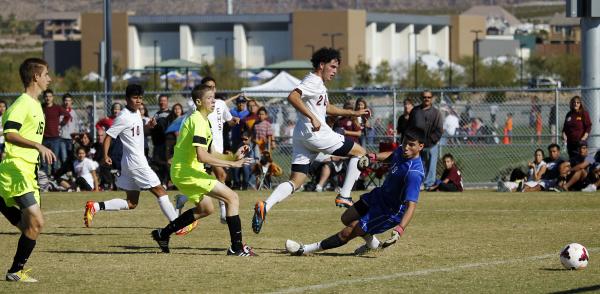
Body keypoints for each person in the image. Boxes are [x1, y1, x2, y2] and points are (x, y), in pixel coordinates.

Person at [251, 47, 369, 234]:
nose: (335, 71)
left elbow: (326, 108)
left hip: (302, 136)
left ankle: (266, 205)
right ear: (321, 65)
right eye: (332, 66)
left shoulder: (318, 84)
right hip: (317, 133)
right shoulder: (312, 80)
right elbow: (293, 96)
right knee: (361, 152)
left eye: (336, 67)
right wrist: (312, 118)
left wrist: (353, 112)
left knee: (296, 181)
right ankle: (345, 195)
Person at [150, 84, 256, 256]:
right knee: (232, 197)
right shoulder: (198, 120)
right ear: (198, 101)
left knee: (205, 209)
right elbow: (202, 156)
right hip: (187, 172)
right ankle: (236, 247)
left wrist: (233, 157)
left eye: (214, 98)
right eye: (209, 98)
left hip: (188, 171)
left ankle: (163, 234)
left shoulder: (204, 121)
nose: (213, 101)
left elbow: (212, 153)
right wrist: (232, 165)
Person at [285, 127, 425, 256]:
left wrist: (400, 229)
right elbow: (394, 155)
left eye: (411, 145)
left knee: (350, 231)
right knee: (346, 218)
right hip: (379, 196)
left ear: (421, 146)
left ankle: (305, 249)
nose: (406, 147)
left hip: (388, 211)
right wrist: (373, 157)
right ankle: (374, 244)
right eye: (405, 142)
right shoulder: (403, 150)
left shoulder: (414, 173)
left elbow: (411, 206)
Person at [82, 84, 195, 236]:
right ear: (127, 99)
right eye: (135, 98)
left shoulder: (136, 113)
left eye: (140, 98)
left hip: (130, 163)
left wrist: (149, 127)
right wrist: (105, 155)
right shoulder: (123, 116)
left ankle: (94, 206)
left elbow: (137, 132)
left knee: (131, 203)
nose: (138, 101)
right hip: (136, 163)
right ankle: (178, 226)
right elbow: (109, 136)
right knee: (161, 191)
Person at [0, 58, 55, 282]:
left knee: (31, 226)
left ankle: (15, 271)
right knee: (37, 222)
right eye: (46, 74)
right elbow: (9, 133)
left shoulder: (35, 105)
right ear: (36, 77)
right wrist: (37, 145)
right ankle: (14, 272)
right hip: (16, 169)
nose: (49, 79)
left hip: (28, 171)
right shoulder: (22, 103)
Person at [176, 76, 240, 223]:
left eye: (213, 87)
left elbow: (227, 121)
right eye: (208, 87)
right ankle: (224, 212)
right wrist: (231, 162)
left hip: (215, 146)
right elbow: (189, 125)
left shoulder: (221, 104)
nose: (211, 90)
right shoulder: (196, 111)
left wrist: (233, 121)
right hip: (201, 149)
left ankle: (183, 198)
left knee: (210, 181)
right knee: (221, 177)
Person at [408, 90, 443, 190]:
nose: (426, 99)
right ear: (421, 98)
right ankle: (417, 184)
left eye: (429, 97)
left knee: (432, 165)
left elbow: (439, 129)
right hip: (418, 144)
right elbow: (410, 126)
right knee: (418, 164)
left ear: (431, 98)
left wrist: (431, 140)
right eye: (424, 97)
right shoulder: (415, 111)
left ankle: (429, 185)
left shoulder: (436, 113)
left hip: (432, 144)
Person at [41, 89, 71, 175]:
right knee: (44, 160)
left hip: (55, 138)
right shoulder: (41, 107)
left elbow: (67, 116)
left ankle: (55, 178)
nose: (48, 98)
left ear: (52, 97)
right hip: (44, 138)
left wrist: (61, 124)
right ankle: (45, 177)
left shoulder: (57, 108)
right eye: (46, 96)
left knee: (55, 159)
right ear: (44, 97)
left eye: (50, 96)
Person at [58, 93, 79, 169]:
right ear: (63, 101)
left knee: (71, 156)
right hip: (62, 138)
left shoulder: (73, 112)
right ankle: (64, 172)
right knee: (63, 157)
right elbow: (58, 123)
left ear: (71, 102)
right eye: (65, 100)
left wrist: (76, 136)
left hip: (71, 138)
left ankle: (70, 171)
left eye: (69, 101)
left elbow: (76, 125)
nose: (67, 102)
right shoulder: (60, 111)